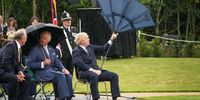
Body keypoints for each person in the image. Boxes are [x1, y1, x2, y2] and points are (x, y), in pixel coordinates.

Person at [72, 32, 121, 100]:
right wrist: (93, 70)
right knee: (93, 75)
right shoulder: (76, 51)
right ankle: (96, 98)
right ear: (82, 41)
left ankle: (114, 98)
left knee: (114, 76)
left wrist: (111, 39)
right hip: (83, 72)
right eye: (87, 38)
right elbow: (80, 64)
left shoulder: (90, 47)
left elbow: (103, 48)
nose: (89, 39)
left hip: (96, 71)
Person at [27, 31, 74, 100]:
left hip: (52, 72)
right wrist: (43, 63)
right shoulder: (35, 49)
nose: (43, 40)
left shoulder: (51, 49)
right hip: (41, 73)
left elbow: (56, 61)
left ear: (49, 39)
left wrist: (63, 69)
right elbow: (29, 65)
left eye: (45, 38)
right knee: (60, 75)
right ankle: (62, 98)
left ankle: (68, 97)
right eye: (42, 38)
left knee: (68, 75)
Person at [0, 29, 31, 100]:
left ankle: (21, 98)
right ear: (22, 38)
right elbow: (5, 62)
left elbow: (18, 64)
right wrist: (15, 75)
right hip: (2, 72)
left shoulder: (19, 48)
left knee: (27, 78)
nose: (26, 39)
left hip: (10, 72)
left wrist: (20, 72)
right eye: (26, 38)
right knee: (14, 78)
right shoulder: (11, 46)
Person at [60, 10, 78, 75]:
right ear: (63, 21)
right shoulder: (60, 30)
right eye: (67, 20)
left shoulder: (74, 29)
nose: (69, 21)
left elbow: (76, 42)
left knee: (71, 73)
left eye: (70, 19)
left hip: (73, 56)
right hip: (64, 56)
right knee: (64, 74)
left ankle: (70, 85)